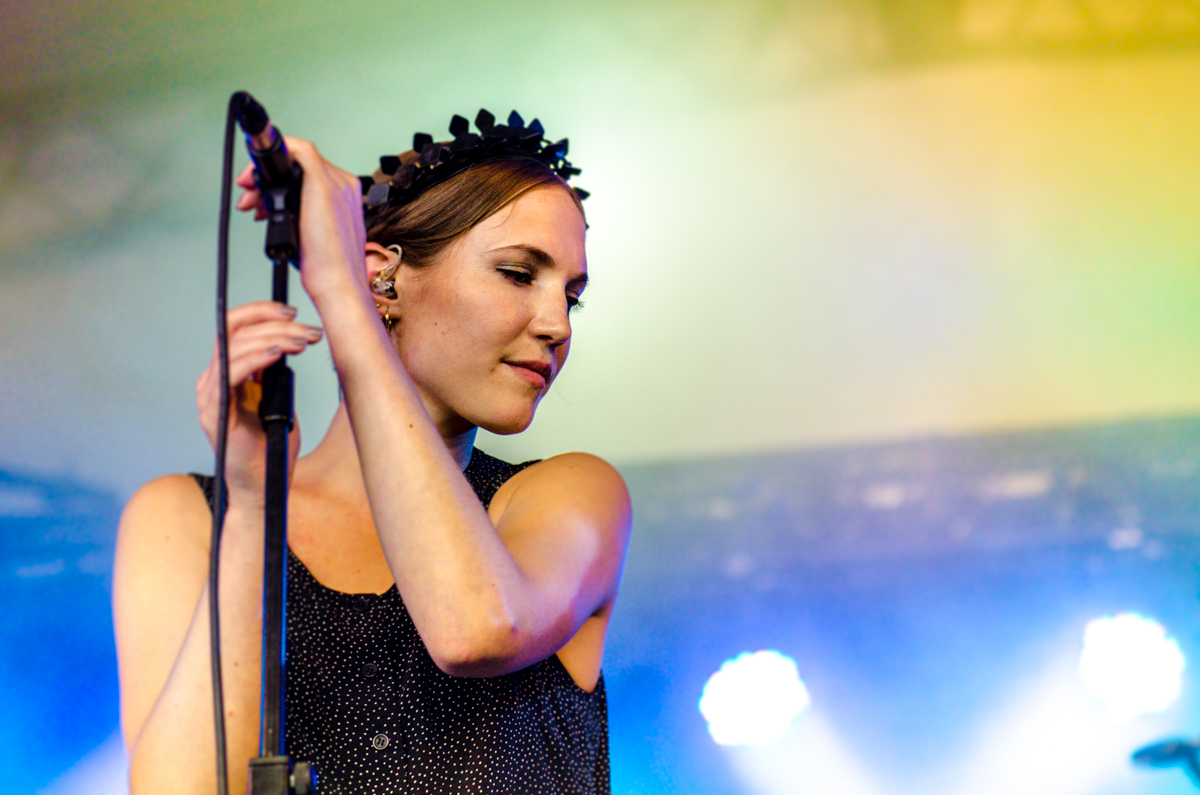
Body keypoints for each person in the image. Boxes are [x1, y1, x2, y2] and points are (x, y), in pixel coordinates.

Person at [112, 110, 631, 795]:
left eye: (572, 297)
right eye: (516, 273)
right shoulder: (186, 517)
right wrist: (253, 511)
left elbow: (473, 627)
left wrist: (343, 298)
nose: (557, 324)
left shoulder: (571, 495)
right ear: (384, 278)